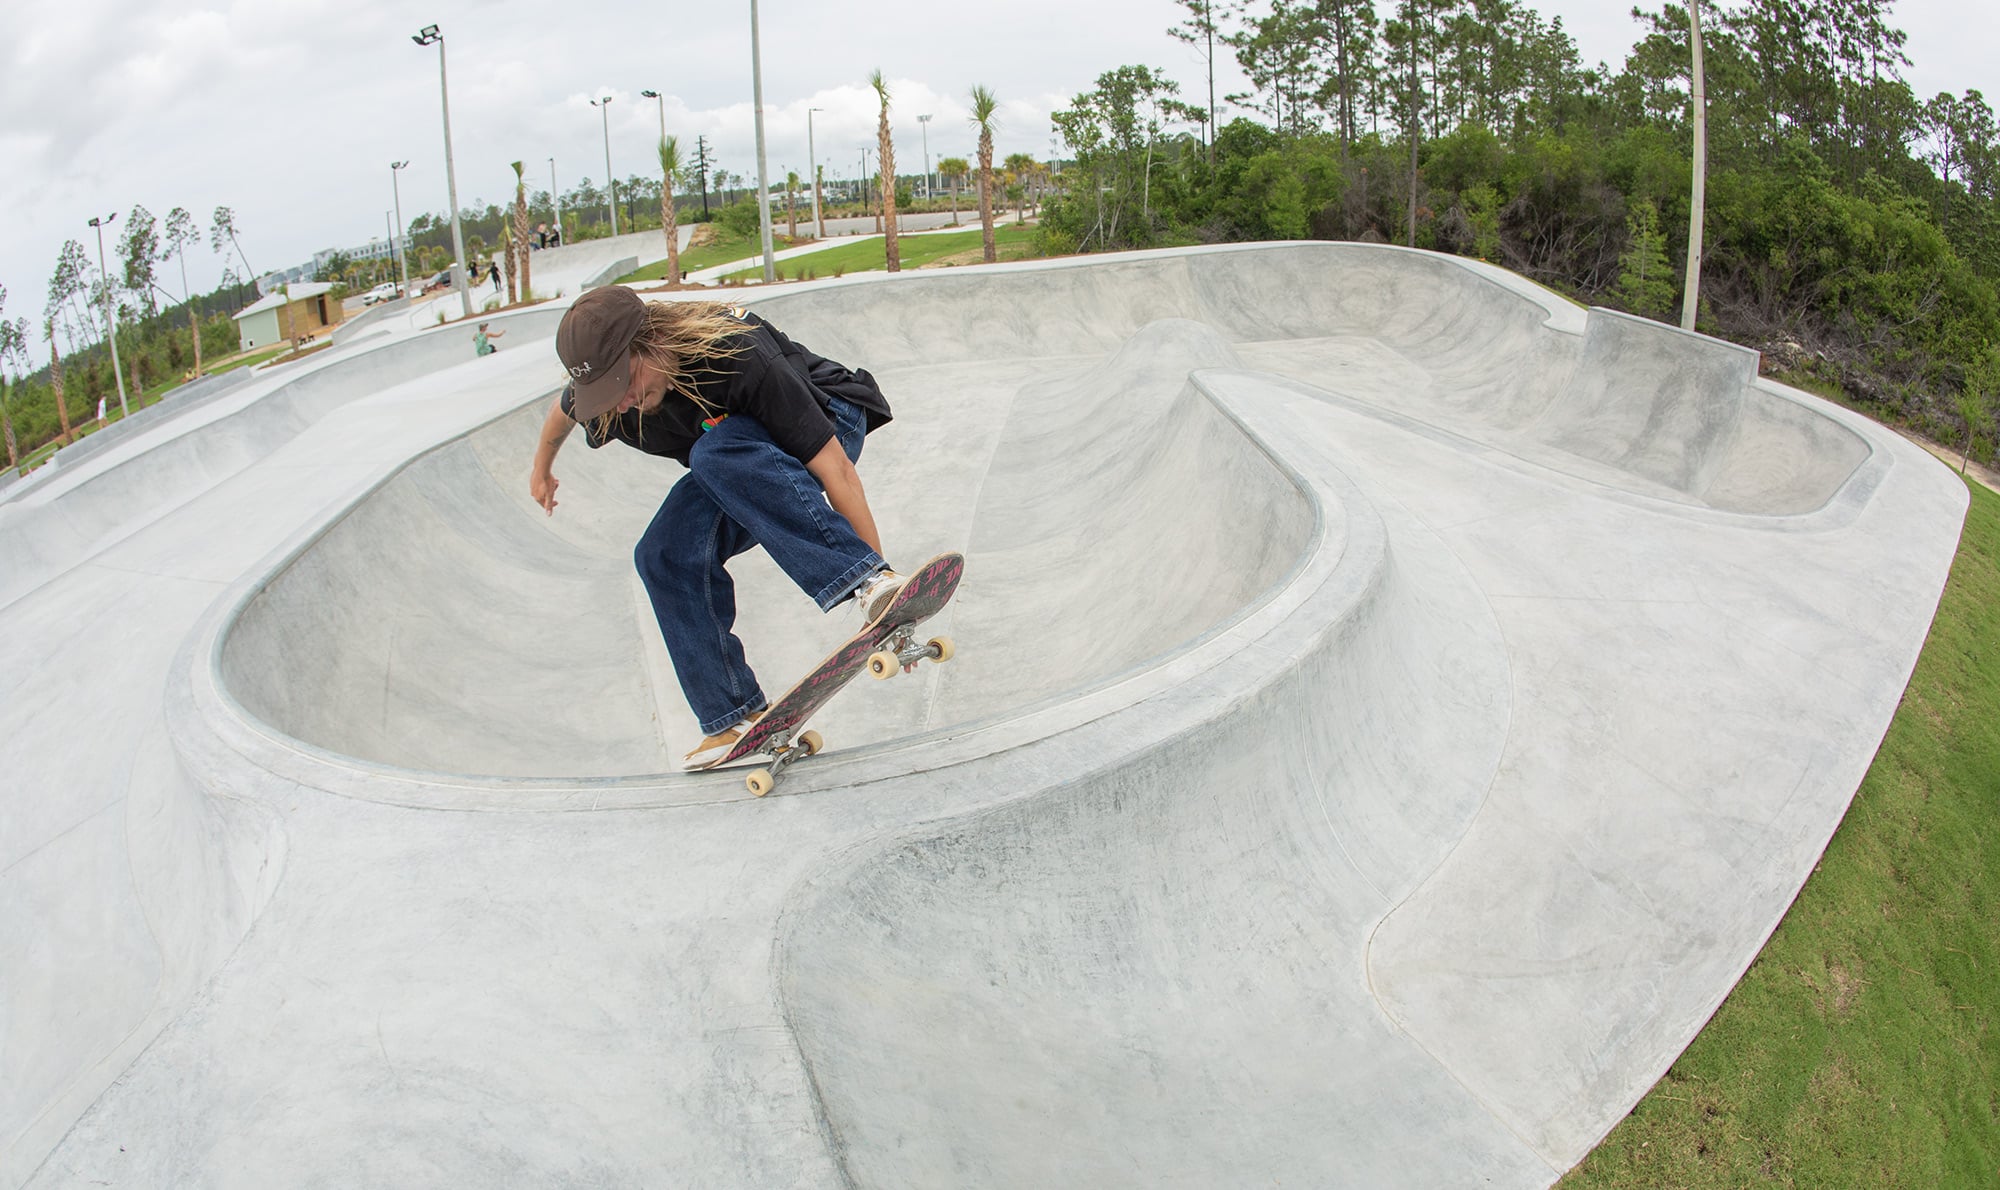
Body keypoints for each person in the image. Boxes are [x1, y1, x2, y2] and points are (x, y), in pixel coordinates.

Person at [529, 286, 898, 770]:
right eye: (608, 394)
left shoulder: (734, 351)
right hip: (741, 466)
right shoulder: (609, 404)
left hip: (829, 419)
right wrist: (542, 468)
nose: (624, 404)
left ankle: (865, 580)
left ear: (652, 341)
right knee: (662, 553)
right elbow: (561, 415)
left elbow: (837, 472)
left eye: (626, 383)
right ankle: (732, 717)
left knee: (714, 450)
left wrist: (880, 592)